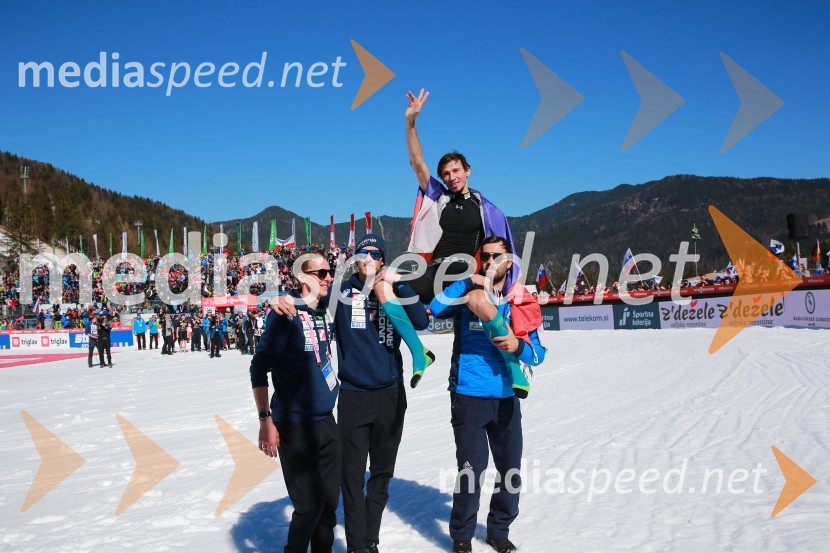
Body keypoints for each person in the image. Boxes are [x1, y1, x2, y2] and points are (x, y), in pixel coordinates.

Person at [272, 235, 430, 553]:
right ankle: (358, 544)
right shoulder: (342, 292)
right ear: (355, 258)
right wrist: (282, 299)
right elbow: (309, 300)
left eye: (375, 253)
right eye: (362, 252)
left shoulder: (392, 290)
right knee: (351, 476)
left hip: (390, 394)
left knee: (382, 472)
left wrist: (402, 286)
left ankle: (370, 538)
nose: (368, 257)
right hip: (354, 396)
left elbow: (422, 321)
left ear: (383, 259)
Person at [404, 89, 528, 395]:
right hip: (435, 270)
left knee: (477, 302)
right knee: (385, 283)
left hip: (462, 271)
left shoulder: (486, 208)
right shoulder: (440, 197)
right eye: (446, 173)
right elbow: (417, 163)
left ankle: (513, 366)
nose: (451, 176)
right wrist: (411, 123)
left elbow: (504, 249)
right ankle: (419, 352)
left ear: (468, 171)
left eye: (456, 170)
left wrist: (506, 286)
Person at [430, 236, 546, 553]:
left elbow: (539, 354)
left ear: (509, 262)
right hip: (468, 395)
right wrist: (468, 281)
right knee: (471, 469)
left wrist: (519, 346)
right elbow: (435, 310)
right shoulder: (468, 294)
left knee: (510, 469)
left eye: (498, 256)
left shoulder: (520, 300)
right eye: (486, 256)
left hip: (507, 398)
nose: (491, 261)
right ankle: (463, 537)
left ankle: (498, 530)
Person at [250, 253, 340, 553]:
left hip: (326, 419)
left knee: (328, 507)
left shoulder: (325, 309)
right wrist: (265, 420)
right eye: (321, 273)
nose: (328, 277)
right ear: (302, 278)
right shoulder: (284, 314)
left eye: (330, 272)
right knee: (309, 507)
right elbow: (258, 367)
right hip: (294, 423)